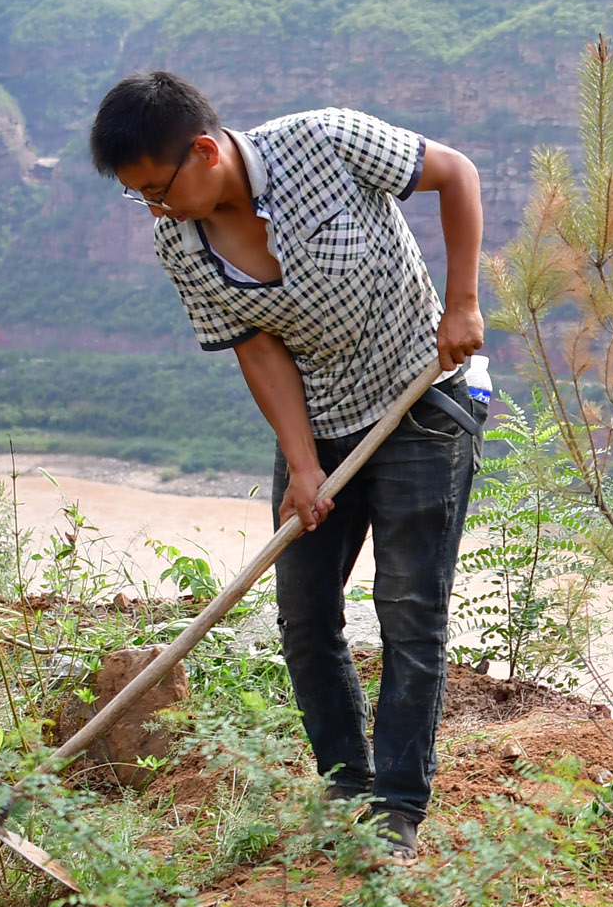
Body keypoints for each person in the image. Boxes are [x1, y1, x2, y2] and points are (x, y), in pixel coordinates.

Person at [87, 70, 487, 857]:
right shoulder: (181, 241)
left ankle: (398, 809)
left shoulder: (327, 140)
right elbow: (257, 347)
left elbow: (456, 173)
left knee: (409, 612)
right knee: (305, 612)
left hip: (423, 401)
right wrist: (302, 466)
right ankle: (346, 787)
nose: (155, 211)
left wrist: (463, 302)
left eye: (157, 191)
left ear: (204, 152)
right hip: (320, 424)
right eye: (140, 198)